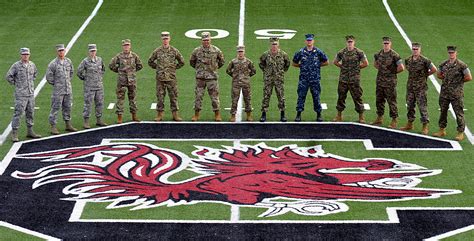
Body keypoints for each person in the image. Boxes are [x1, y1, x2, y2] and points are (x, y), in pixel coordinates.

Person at [433, 46, 472, 141]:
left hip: (456, 94)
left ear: (456, 53)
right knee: (443, 112)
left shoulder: (462, 65)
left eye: (453, 52)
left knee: (459, 113)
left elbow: (469, 77)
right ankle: (442, 130)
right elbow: (438, 74)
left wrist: (458, 82)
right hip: (445, 93)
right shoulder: (443, 64)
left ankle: (460, 132)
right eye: (450, 52)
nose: (451, 54)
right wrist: (447, 80)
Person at [400, 42, 437, 134]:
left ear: (420, 50)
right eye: (414, 49)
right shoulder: (408, 59)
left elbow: (434, 69)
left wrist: (425, 75)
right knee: (410, 105)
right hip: (410, 87)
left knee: (422, 106)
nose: (415, 51)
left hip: (421, 88)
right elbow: (409, 69)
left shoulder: (425, 60)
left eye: (417, 49)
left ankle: (425, 126)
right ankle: (410, 123)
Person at [5, 47, 41, 142]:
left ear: (29, 55)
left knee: (30, 113)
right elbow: (8, 76)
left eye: (27, 54)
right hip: (21, 94)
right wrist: (17, 84)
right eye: (24, 54)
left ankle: (30, 131)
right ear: (21, 55)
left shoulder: (32, 65)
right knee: (18, 113)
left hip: (30, 94)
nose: (25, 56)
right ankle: (15, 133)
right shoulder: (16, 66)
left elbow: (35, 74)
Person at [148, 31, 185, 121]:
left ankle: (175, 115)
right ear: (162, 39)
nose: (165, 41)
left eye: (167, 39)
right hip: (160, 78)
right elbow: (150, 61)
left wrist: (173, 68)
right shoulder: (157, 51)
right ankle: (159, 115)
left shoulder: (174, 51)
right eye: (164, 39)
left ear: (169, 39)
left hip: (171, 78)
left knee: (173, 96)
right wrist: (158, 68)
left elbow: (182, 62)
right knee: (160, 97)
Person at [293, 33, 329, 122]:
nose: (309, 42)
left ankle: (319, 114)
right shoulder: (300, 52)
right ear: (306, 41)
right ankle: (298, 114)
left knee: (316, 97)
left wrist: (317, 66)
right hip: (303, 79)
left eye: (311, 40)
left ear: (313, 41)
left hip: (315, 79)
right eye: (308, 40)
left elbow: (326, 61)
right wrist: (301, 66)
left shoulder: (318, 52)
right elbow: (294, 62)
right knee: (301, 97)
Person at [190, 32, 225, 121]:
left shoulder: (216, 50)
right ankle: (196, 114)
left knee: (214, 97)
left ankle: (217, 114)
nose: (206, 42)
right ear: (201, 41)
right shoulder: (196, 51)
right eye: (204, 40)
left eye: (207, 40)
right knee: (198, 96)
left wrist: (213, 69)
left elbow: (221, 61)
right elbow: (192, 62)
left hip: (212, 78)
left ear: (210, 40)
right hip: (200, 78)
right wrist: (199, 70)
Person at [332, 35, 368, 123]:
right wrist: (343, 67)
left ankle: (361, 116)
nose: (350, 43)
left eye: (351, 42)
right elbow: (335, 62)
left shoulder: (359, 52)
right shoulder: (342, 52)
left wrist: (356, 68)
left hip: (354, 80)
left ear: (354, 42)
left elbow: (366, 63)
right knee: (341, 97)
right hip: (343, 79)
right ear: (346, 43)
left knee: (357, 97)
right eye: (348, 42)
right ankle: (339, 115)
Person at [372, 36, 405, 128]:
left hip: (390, 83)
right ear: (382, 44)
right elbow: (375, 64)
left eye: (387, 43)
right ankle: (379, 117)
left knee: (391, 101)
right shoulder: (378, 54)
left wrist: (392, 72)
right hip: (380, 81)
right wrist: (382, 70)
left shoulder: (395, 55)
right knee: (379, 100)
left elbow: (401, 68)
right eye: (384, 43)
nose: (386, 45)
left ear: (390, 44)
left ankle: (394, 120)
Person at [109, 39, 143, 124]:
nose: (126, 47)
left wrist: (132, 72)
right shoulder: (118, 56)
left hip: (132, 81)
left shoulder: (134, 56)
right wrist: (119, 71)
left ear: (130, 46)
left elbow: (140, 65)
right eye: (125, 45)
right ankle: (119, 117)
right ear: (122, 46)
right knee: (120, 99)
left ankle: (134, 116)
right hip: (122, 81)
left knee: (133, 98)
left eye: (127, 45)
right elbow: (111, 65)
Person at [46, 44, 77, 134]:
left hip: (68, 89)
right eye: (60, 51)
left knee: (67, 107)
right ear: (57, 52)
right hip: (58, 91)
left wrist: (66, 82)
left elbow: (71, 72)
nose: (61, 52)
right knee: (55, 108)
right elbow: (49, 76)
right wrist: (57, 84)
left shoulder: (68, 61)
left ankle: (68, 124)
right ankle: (53, 126)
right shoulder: (53, 63)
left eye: (62, 50)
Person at [259, 37, 290, 122]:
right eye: (273, 44)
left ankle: (283, 114)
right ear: (270, 44)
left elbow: (287, 64)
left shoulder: (283, 54)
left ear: (278, 44)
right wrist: (266, 72)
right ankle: (263, 114)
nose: (274, 46)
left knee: (281, 96)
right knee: (266, 96)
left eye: (276, 44)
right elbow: (261, 64)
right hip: (268, 79)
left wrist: (281, 73)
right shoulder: (265, 54)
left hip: (279, 79)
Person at [77, 44, 107, 129]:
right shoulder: (85, 61)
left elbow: (103, 69)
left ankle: (99, 119)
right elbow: (79, 72)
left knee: (100, 103)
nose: (93, 53)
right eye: (91, 51)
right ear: (89, 52)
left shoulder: (100, 60)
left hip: (99, 86)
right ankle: (86, 122)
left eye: (94, 51)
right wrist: (85, 79)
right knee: (88, 104)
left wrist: (99, 78)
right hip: (89, 87)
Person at [226, 45, 257, 122]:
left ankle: (249, 115)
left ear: (244, 52)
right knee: (234, 99)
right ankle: (233, 115)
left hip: (246, 83)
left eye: (242, 52)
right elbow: (228, 70)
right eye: (239, 52)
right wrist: (234, 76)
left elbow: (253, 71)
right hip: (236, 83)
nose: (240, 53)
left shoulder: (248, 62)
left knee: (247, 99)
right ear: (237, 52)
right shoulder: (233, 62)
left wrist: (246, 77)